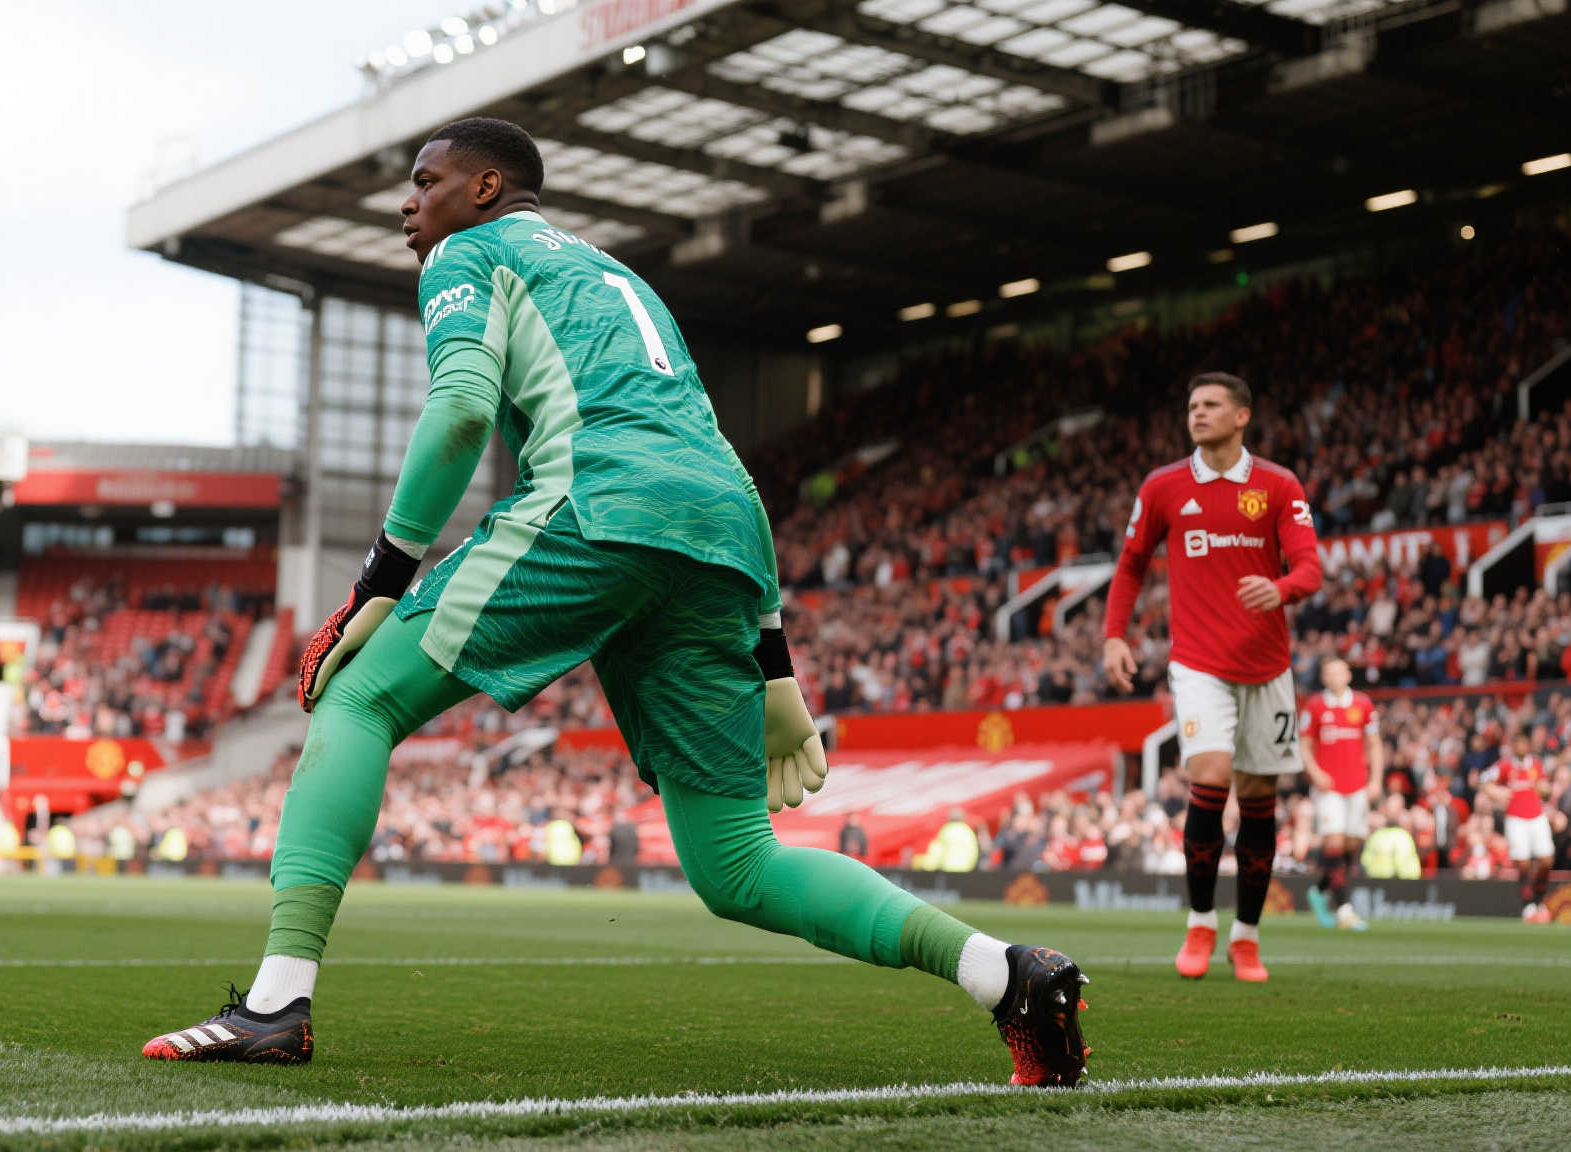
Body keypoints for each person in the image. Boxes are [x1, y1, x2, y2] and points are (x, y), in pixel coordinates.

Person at [141, 118, 1088, 1084]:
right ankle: (1005, 974)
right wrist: (774, 662)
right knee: (738, 866)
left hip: (596, 503)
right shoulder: (625, 282)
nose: (406, 204)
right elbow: (725, 467)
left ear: (485, 188)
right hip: (718, 540)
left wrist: (380, 581)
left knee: (356, 696)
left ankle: (275, 1006)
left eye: (425, 182)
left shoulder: (469, 252)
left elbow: (461, 410)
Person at [1102, 373, 1322, 982]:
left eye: (1210, 404)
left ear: (1241, 416)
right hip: (1198, 663)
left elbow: (1310, 568)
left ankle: (1245, 937)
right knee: (1211, 776)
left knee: (1258, 800)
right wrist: (1114, 636)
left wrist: (1279, 589)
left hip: (1267, 667)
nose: (1197, 413)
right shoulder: (1164, 486)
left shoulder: (1277, 485)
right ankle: (1200, 924)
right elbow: (1130, 564)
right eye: (1192, 404)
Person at [1298, 658, 1383, 931]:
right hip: (1329, 787)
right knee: (1334, 840)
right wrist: (1316, 773)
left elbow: (1374, 743)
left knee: (1351, 845)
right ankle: (1345, 910)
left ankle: (1320, 890)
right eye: (1330, 673)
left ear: (1348, 675)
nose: (1335, 677)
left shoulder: (1362, 704)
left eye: (1339, 672)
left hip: (1357, 785)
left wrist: (1376, 779)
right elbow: (1304, 744)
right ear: (1324, 677)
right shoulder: (1315, 706)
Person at [1486, 730, 1556, 922]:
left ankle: (1539, 898)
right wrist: (1496, 792)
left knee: (1546, 859)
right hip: (1515, 818)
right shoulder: (1505, 765)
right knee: (1523, 862)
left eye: (1523, 743)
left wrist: (1545, 790)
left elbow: (1545, 787)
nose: (1520, 747)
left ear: (1528, 746)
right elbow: (1486, 781)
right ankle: (1528, 905)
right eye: (1517, 743)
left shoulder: (1536, 764)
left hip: (1537, 816)